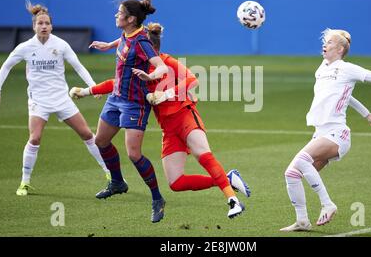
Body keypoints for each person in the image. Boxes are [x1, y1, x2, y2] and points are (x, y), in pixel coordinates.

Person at [70, 22, 251, 219]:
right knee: (176, 183)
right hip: (168, 128)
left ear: (151, 50)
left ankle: (233, 201)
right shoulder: (138, 68)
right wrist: (88, 91)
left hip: (184, 115)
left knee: (203, 155)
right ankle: (227, 179)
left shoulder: (166, 62)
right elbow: (116, 84)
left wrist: (166, 95)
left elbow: (193, 80)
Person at [279, 28, 371, 232]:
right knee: (292, 174)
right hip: (321, 133)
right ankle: (302, 221)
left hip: (337, 134)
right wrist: (366, 113)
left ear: (340, 49)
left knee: (301, 160)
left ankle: (328, 204)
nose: (325, 44)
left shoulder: (347, 68)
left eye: (330, 42)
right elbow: (345, 95)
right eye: (325, 41)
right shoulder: (322, 69)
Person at [0, 1, 110, 196]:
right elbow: (6, 65)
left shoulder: (60, 45)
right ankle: (25, 182)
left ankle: (109, 173)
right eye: (40, 23)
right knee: (35, 138)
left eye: (47, 23)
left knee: (87, 134)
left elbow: (78, 66)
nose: (44, 26)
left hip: (61, 98)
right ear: (34, 26)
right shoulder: (26, 47)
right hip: (39, 100)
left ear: (51, 26)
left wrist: (93, 88)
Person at [86, 0, 169, 223]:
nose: (116, 15)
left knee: (133, 154)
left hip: (135, 103)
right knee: (100, 141)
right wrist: (108, 45)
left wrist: (149, 75)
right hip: (115, 99)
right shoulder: (127, 33)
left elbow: (162, 68)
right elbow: (124, 41)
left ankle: (157, 198)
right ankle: (117, 183)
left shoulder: (143, 42)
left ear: (131, 19)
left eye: (120, 13)